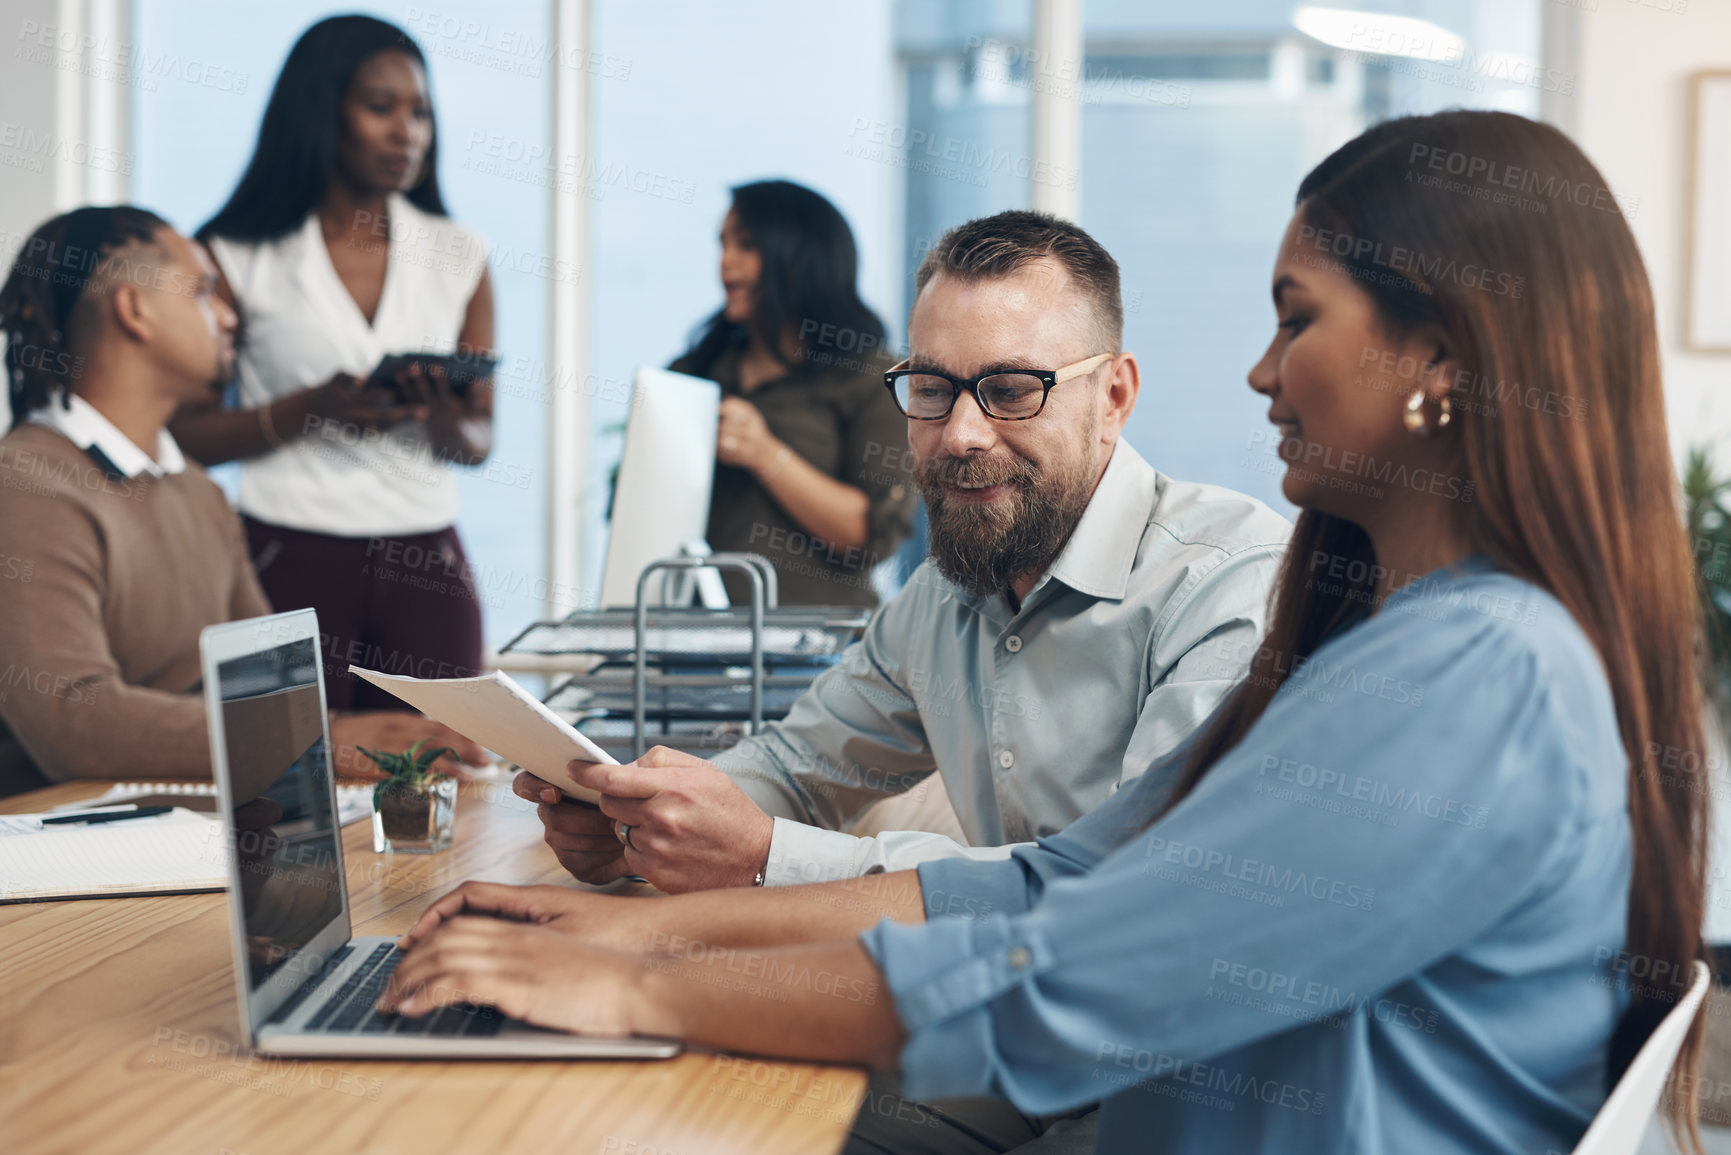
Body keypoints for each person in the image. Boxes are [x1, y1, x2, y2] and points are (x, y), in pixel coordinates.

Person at [379, 111, 1709, 1155]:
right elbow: (1035, 883)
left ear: (1442, 358)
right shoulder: (1386, 640)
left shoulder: (1473, 672)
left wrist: (636, 984)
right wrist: (631, 932)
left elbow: (1062, 981)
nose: (1256, 369)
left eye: (1294, 317)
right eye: (934, 389)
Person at [520, 211, 1292, 901]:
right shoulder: (942, 596)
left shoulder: (1227, 581)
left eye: (1013, 389)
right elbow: (798, 767)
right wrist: (641, 816)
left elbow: (1131, 884)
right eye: (931, 388)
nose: (959, 434)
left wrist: (763, 855)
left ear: (1113, 398)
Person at [0, 206, 485, 798]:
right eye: (204, 292)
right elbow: (72, 720)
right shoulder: (26, 485)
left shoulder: (199, 491)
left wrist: (332, 740)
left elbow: (276, 687)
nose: (229, 316)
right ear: (135, 310)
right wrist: (322, 739)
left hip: (197, 813)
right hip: (60, 840)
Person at [167, 15, 495, 710]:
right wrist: (309, 409)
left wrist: (438, 415)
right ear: (322, 111)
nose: (406, 131)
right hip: (283, 556)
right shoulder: (234, 252)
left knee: (443, 779)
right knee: (287, 777)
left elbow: (479, 441)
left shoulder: (460, 253)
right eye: (381, 107)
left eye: (421, 112)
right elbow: (185, 432)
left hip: (427, 564)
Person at [670, 180, 917, 607]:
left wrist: (763, 453)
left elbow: (871, 537)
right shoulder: (692, 374)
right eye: (723, 244)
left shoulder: (868, 377)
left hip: (823, 651)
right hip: (694, 648)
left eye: (745, 245)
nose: (725, 263)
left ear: (800, 257)